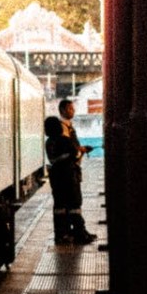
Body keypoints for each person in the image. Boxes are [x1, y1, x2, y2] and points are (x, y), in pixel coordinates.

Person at [48, 99, 96, 245]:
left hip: (56, 175)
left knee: (61, 205)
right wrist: (80, 151)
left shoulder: (49, 142)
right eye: (70, 108)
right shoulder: (64, 138)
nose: (73, 111)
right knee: (74, 203)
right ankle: (78, 232)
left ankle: (63, 234)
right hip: (69, 173)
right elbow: (74, 154)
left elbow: (55, 158)